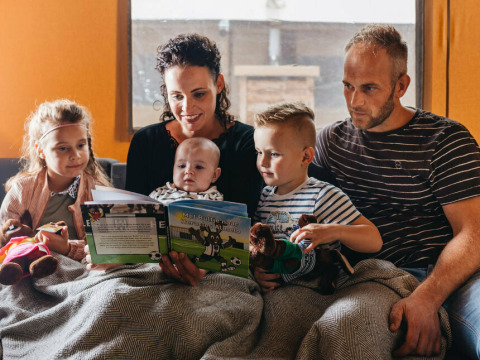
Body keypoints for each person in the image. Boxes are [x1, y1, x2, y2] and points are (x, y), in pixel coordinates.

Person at [311, 24, 480, 358]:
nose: (354, 101)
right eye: (347, 86)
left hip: (450, 275)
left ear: (401, 85)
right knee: (346, 330)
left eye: (369, 88)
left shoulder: (445, 139)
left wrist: (427, 298)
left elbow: (473, 233)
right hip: (376, 278)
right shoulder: (329, 143)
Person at [125, 33, 263, 285]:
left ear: (218, 84)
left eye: (198, 94)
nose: (187, 108)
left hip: (220, 267)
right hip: (153, 267)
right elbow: (134, 220)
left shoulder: (246, 141)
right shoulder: (145, 142)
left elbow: (247, 223)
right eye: (177, 96)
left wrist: (204, 268)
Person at [252, 101, 382, 291]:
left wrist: (332, 231)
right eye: (259, 152)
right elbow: (257, 244)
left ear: (306, 157)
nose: (262, 162)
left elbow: (374, 240)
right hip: (276, 290)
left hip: (313, 288)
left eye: (274, 154)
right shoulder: (265, 197)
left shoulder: (323, 195)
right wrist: (258, 272)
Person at [0, 99, 111, 261]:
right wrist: (35, 245)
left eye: (81, 145)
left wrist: (67, 249)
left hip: (81, 269)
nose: (76, 155)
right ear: (41, 150)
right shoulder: (22, 189)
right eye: (63, 148)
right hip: (31, 265)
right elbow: (4, 242)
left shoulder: (97, 192)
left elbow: (104, 250)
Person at [149, 137, 223, 205]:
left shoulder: (214, 198)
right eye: (182, 166)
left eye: (198, 167)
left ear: (214, 175)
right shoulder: (160, 192)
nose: (188, 171)